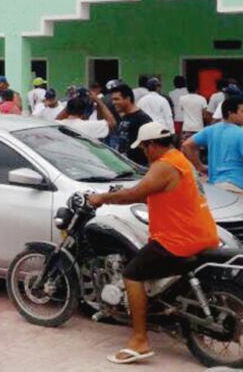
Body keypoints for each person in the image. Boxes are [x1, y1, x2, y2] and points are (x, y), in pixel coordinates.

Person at [87, 122, 219, 365]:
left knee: (132, 273)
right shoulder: (179, 159)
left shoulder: (164, 165)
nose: (144, 153)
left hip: (179, 239)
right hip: (201, 234)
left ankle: (139, 340)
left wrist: (102, 198)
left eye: (144, 147)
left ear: (151, 145)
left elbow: (135, 194)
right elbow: (162, 193)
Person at [182, 96, 243, 204]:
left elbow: (186, 145)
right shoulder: (242, 134)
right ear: (231, 113)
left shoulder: (211, 130)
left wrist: (199, 166)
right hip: (237, 187)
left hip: (215, 187)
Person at [109, 84, 155, 165]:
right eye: (112, 100)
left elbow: (152, 146)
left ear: (127, 98)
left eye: (117, 99)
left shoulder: (142, 119)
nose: (113, 103)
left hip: (139, 168)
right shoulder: (125, 116)